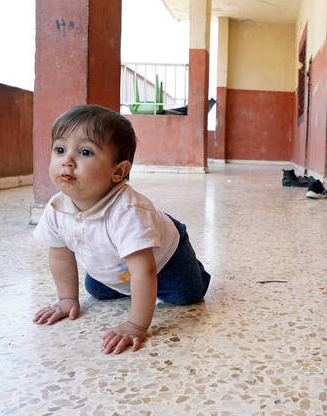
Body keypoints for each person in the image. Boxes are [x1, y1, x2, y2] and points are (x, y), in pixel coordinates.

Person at [32, 104, 210, 354]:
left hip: (165, 257)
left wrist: (136, 324)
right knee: (97, 290)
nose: (67, 161)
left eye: (84, 152)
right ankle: (133, 285)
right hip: (119, 263)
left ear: (119, 171)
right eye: (60, 150)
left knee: (185, 293)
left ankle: (188, 260)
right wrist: (67, 300)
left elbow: (145, 269)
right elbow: (60, 255)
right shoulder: (56, 207)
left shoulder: (128, 212)